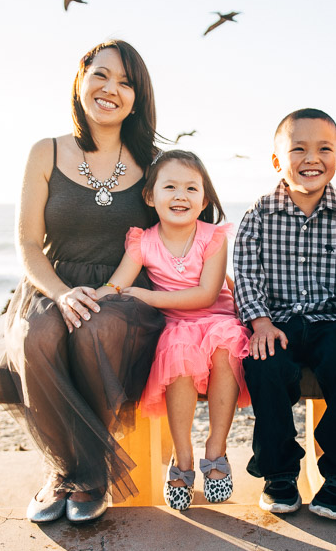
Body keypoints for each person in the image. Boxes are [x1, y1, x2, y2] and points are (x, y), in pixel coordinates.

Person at [2, 40, 166, 524]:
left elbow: (175, 230)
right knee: (39, 336)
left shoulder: (152, 162)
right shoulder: (45, 152)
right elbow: (28, 243)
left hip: (122, 290)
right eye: (101, 75)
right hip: (52, 284)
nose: (110, 89)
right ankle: (64, 470)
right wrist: (59, 293)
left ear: (138, 98)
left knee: (94, 330)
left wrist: (109, 292)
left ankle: (90, 477)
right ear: (80, 79)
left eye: (126, 82)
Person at [234, 108, 336, 521]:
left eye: (324, 149)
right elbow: (246, 275)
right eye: (298, 149)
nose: (312, 158)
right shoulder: (259, 216)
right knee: (264, 368)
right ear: (277, 161)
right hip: (278, 323)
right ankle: (279, 472)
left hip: (333, 322)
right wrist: (260, 323)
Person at [94, 150, 250, 511]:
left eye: (191, 188)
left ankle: (216, 450)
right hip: (176, 325)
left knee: (226, 348)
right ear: (151, 196)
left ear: (204, 199)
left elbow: (208, 294)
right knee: (177, 355)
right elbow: (118, 284)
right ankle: (183, 459)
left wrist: (148, 297)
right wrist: (92, 296)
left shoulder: (213, 238)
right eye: (170, 187)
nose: (181, 196)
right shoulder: (142, 241)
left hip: (218, 319)